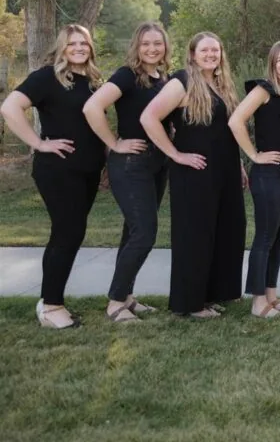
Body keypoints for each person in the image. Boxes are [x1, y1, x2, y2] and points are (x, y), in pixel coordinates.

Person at [1, 25, 105, 328]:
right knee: (67, 233)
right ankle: (51, 306)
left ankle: (53, 299)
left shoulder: (91, 80)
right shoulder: (47, 77)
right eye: (72, 44)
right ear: (62, 47)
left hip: (87, 170)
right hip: (58, 169)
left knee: (72, 233)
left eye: (84, 43)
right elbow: (10, 107)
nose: (79, 48)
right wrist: (38, 143)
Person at [140, 31, 246, 318]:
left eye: (216, 50)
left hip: (224, 169)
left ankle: (211, 293)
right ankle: (189, 303)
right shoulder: (181, 81)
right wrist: (175, 154)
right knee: (195, 236)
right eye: (205, 50)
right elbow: (149, 117)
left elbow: (225, 131)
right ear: (193, 54)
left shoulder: (222, 84)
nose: (211, 55)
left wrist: (238, 165)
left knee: (226, 230)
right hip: (194, 171)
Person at [82, 21, 172, 322]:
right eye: (146, 43)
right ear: (137, 46)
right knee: (145, 233)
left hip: (158, 164)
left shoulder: (163, 79)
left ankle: (127, 296)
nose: (152, 48)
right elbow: (93, 107)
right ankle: (115, 302)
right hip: (131, 164)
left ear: (165, 47)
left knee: (133, 232)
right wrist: (114, 143)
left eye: (157, 43)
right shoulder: (127, 75)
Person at [229, 40, 280, 319]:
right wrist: (254, 155)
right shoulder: (263, 90)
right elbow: (235, 121)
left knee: (279, 237)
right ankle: (257, 301)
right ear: (273, 64)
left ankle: (272, 296)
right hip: (268, 173)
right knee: (265, 236)